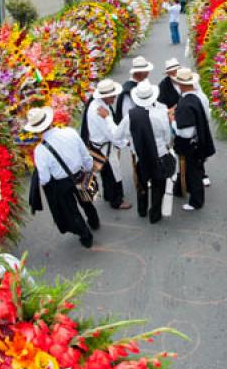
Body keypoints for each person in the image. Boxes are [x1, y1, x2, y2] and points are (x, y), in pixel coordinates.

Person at [26, 106, 100, 248]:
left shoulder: (40, 150)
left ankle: (86, 236)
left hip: (62, 184)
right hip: (79, 174)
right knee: (86, 201)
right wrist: (89, 168)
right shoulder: (70, 132)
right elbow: (85, 155)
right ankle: (94, 221)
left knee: (72, 211)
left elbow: (45, 179)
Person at [116, 80, 173, 224]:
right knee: (158, 186)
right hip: (159, 155)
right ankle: (155, 214)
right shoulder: (160, 114)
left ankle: (141, 210)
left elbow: (117, 136)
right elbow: (167, 137)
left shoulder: (130, 116)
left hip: (141, 156)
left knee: (141, 185)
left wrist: (130, 142)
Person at [81, 79, 131, 210]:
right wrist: (126, 142)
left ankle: (109, 195)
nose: (115, 98)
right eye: (113, 96)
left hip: (99, 145)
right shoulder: (99, 111)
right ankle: (117, 200)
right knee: (113, 174)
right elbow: (113, 134)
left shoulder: (98, 104)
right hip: (104, 147)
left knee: (106, 173)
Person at [172, 67, 215, 211]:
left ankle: (196, 202)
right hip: (198, 141)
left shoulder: (185, 103)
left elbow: (186, 133)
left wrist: (173, 121)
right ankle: (189, 193)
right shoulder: (195, 98)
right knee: (194, 171)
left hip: (190, 145)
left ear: (181, 84)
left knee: (193, 172)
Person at [114, 56, 154, 123]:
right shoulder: (128, 91)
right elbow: (127, 116)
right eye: (146, 70)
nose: (148, 72)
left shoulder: (144, 82)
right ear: (140, 73)